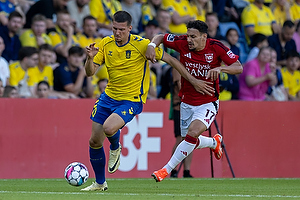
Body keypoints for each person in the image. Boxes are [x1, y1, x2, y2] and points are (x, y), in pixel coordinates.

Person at [81, 11, 209, 191]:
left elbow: (171, 60)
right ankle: (100, 183)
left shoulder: (141, 45)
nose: (117, 33)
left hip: (132, 99)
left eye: (121, 29)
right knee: (94, 141)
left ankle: (116, 147)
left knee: (109, 128)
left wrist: (193, 81)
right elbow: (90, 72)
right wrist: (89, 58)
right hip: (108, 97)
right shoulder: (105, 44)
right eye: (114, 29)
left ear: (130, 29)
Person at [146, 20, 243, 182]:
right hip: (186, 102)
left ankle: (165, 170)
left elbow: (238, 67)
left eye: (193, 36)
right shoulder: (182, 42)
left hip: (208, 102)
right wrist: (151, 46)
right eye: (188, 35)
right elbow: (161, 37)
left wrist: (220, 68)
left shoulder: (216, 47)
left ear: (204, 37)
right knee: (189, 140)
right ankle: (214, 142)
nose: (189, 39)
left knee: (191, 134)